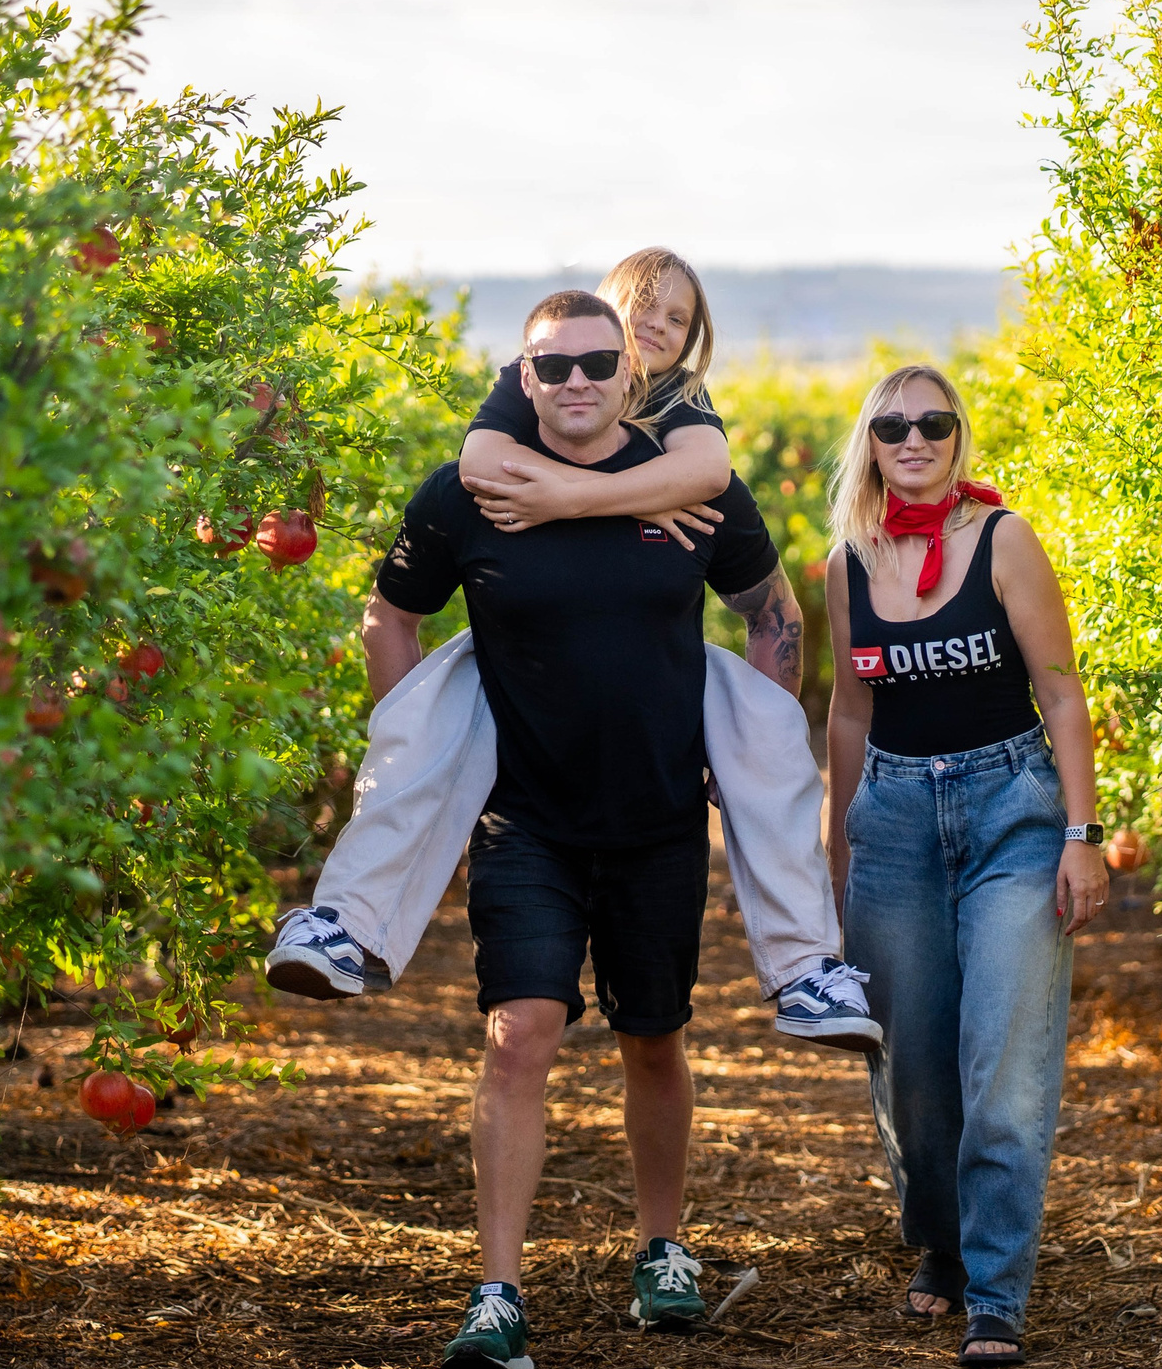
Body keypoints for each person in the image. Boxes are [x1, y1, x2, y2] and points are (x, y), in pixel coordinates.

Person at [354, 289, 804, 1369]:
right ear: (523, 375)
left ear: (626, 374)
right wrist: (422, 762)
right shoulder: (471, 493)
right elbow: (389, 616)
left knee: (654, 1034)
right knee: (520, 1034)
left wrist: (747, 755)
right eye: (551, 366)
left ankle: (662, 1249)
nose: (576, 383)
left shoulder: (685, 488)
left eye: (598, 363)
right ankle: (498, 1295)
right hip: (526, 819)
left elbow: (775, 613)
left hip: (658, 819)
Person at [268, 248, 877, 1052]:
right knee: (430, 718)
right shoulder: (521, 404)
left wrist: (574, 499)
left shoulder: (686, 422)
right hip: (521, 768)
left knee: (767, 744)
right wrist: (427, 746)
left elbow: (724, 502)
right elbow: (476, 466)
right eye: (641, 313)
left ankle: (806, 967)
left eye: (676, 320)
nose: (655, 330)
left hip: (658, 788)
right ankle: (346, 923)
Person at [823, 364, 1108, 1369]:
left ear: (957, 436)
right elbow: (848, 713)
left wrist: (1082, 835)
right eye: (893, 425)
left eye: (933, 423)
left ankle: (995, 1290)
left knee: (1004, 1062)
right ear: (869, 442)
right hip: (894, 819)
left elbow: (1062, 695)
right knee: (911, 1069)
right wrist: (840, 858)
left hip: (1010, 812)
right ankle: (940, 1241)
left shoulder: (1004, 540)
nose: (914, 439)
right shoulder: (848, 562)